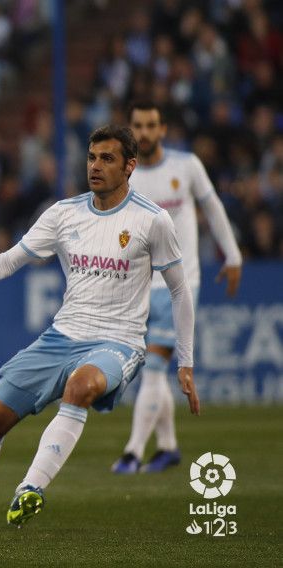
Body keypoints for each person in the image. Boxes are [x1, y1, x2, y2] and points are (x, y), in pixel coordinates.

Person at [0, 125, 198, 528]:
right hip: (61, 337)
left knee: (80, 387)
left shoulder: (152, 221)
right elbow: (11, 259)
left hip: (119, 343)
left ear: (130, 166)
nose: (95, 166)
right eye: (92, 157)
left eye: (107, 158)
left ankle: (30, 488)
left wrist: (185, 361)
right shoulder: (64, 213)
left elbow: (180, 292)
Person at [111, 101, 241, 474]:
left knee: (153, 367)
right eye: (138, 126)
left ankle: (133, 453)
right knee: (149, 367)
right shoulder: (125, 178)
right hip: (136, 285)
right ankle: (167, 447)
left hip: (179, 283)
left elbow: (213, 208)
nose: (145, 132)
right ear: (130, 131)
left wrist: (232, 255)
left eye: (152, 125)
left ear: (163, 129)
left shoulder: (186, 166)